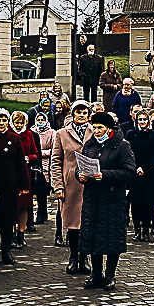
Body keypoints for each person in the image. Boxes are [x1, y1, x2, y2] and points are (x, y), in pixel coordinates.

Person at [77, 112, 137, 290]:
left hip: (112, 200)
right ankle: (96, 274)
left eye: (100, 128)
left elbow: (130, 171)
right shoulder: (90, 144)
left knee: (112, 238)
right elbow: (81, 166)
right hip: (92, 198)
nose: (96, 131)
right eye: (94, 127)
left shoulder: (122, 145)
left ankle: (110, 275)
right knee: (93, 236)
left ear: (109, 129)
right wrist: (80, 175)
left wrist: (105, 175)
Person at [0, 108, 31, 266]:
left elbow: (21, 162)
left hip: (11, 185)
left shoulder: (15, 139)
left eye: (4, 120)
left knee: (9, 219)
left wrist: (25, 184)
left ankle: (6, 251)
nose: (1, 123)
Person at [51, 100, 92, 275]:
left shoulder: (95, 131)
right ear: (73, 114)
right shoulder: (61, 133)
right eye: (78, 112)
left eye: (84, 113)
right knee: (73, 224)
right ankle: (73, 257)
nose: (81, 115)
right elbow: (56, 161)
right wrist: (58, 186)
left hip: (91, 183)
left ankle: (85, 258)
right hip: (71, 185)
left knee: (87, 223)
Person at [125, 109, 154, 242]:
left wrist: (145, 168)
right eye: (140, 119)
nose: (142, 122)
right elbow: (128, 152)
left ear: (148, 121)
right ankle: (137, 231)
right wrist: (135, 167)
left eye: (144, 119)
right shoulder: (131, 134)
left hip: (149, 173)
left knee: (148, 204)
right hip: (134, 172)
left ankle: (146, 230)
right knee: (135, 204)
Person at [11, 110, 39, 247]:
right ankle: (11, 234)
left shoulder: (29, 135)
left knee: (24, 205)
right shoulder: (9, 134)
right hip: (11, 173)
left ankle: (21, 234)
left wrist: (29, 158)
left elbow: (36, 153)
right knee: (12, 205)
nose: (18, 125)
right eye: (16, 123)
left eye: (21, 123)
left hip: (26, 173)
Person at [33, 112, 55, 224]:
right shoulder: (32, 132)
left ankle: (42, 214)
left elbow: (54, 149)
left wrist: (41, 153)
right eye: (39, 120)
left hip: (47, 164)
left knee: (43, 192)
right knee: (35, 189)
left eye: (42, 120)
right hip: (35, 164)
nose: (40, 122)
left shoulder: (52, 133)